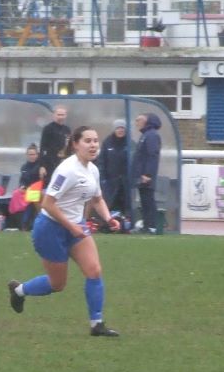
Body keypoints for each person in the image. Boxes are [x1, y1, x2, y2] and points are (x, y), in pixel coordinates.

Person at [7, 126, 120, 337]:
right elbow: (48, 204)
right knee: (58, 284)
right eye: (87, 141)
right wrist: (72, 227)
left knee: (94, 271)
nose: (93, 144)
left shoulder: (92, 170)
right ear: (75, 144)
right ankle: (18, 290)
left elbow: (97, 199)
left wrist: (108, 218)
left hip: (75, 227)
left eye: (96, 140)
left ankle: (97, 324)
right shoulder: (67, 170)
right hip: (50, 229)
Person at [131, 113, 162, 232]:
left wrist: (147, 174)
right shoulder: (146, 135)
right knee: (145, 200)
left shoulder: (151, 135)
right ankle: (147, 225)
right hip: (142, 174)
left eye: (138, 120)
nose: (136, 122)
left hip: (146, 176)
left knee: (148, 200)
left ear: (146, 121)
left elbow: (152, 155)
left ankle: (151, 226)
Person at [99, 118, 131, 222]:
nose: (120, 130)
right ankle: (109, 223)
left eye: (122, 128)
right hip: (110, 181)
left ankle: (126, 224)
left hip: (126, 181)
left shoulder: (130, 143)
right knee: (110, 203)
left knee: (126, 204)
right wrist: (103, 178)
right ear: (114, 129)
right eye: (118, 128)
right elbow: (102, 161)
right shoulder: (107, 142)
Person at [14, 143, 45, 230]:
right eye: (30, 154)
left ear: (37, 155)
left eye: (33, 154)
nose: (32, 156)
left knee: (32, 197)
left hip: (38, 190)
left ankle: (25, 224)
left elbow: (41, 180)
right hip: (27, 190)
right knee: (17, 194)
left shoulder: (40, 166)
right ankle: (23, 223)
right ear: (27, 155)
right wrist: (22, 186)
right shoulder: (24, 167)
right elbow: (22, 180)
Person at [38, 105, 70, 186]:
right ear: (54, 115)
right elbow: (43, 147)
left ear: (66, 116)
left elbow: (69, 146)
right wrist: (42, 166)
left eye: (62, 115)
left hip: (63, 163)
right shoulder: (48, 129)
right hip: (50, 164)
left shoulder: (67, 129)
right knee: (51, 186)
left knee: (61, 185)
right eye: (58, 114)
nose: (60, 117)